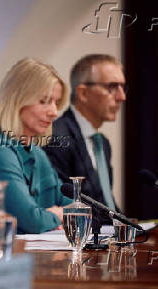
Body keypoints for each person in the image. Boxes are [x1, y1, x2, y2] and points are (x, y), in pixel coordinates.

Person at [0, 58, 72, 234]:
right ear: (17, 100)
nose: (54, 112)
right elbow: (31, 221)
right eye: (44, 101)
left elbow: (75, 208)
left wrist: (55, 213)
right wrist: (56, 215)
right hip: (3, 257)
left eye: (56, 102)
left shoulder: (38, 153)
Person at [44, 54, 126, 224]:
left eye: (122, 87)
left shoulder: (102, 143)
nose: (121, 97)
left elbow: (104, 203)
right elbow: (64, 203)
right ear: (83, 93)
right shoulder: (57, 137)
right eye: (112, 87)